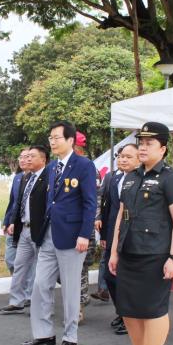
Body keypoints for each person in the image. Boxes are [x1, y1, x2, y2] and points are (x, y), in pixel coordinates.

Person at [108, 122, 173, 345]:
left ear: (163, 148)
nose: (143, 147)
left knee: (152, 311)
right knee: (129, 310)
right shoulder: (131, 176)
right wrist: (114, 251)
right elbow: (122, 214)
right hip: (129, 251)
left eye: (149, 143)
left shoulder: (170, 178)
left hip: (155, 254)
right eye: (141, 143)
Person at [20, 121, 97, 345]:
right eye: (50, 138)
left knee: (70, 289)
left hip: (73, 237)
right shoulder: (52, 168)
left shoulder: (84, 166)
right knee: (41, 284)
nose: (52, 141)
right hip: (49, 235)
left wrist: (85, 234)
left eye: (57, 137)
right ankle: (43, 334)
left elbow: (89, 203)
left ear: (70, 140)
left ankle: (70, 336)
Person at [0, 145, 49, 314]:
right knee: (18, 264)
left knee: (38, 267)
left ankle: (34, 300)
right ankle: (16, 301)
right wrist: (12, 221)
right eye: (24, 157)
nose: (26, 160)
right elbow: (17, 202)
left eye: (31, 156)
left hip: (39, 229)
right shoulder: (25, 178)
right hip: (23, 228)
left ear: (43, 159)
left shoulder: (49, 177)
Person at [97, 143, 140, 335]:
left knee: (128, 279)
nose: (123, 160)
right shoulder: (113, 178)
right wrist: (105, 233)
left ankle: (131, 317)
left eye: (128, 157)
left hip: (133, 236)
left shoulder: (142, 179)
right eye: (121, 156)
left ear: (139, 159)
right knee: (109, 276)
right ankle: (122, 312)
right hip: (113, 235)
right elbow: (108, 207)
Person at [73, 130, 101, 322]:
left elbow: (94, 200)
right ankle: (80, 298)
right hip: (66, 227)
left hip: (84, 227)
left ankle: (78, 307)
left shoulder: (88, 167)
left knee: (80, 268)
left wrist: (93, 221)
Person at [3, 150, 30, 275]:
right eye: (21, 157)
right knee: (10, 259)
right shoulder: (18, 178)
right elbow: (12, 202)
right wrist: (7, 221)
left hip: (25, 225)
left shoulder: (36, 178)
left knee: (24, 261)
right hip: (12, 225)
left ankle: (22, 287)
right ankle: (17, 282)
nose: (22, 160)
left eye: (26, 157)